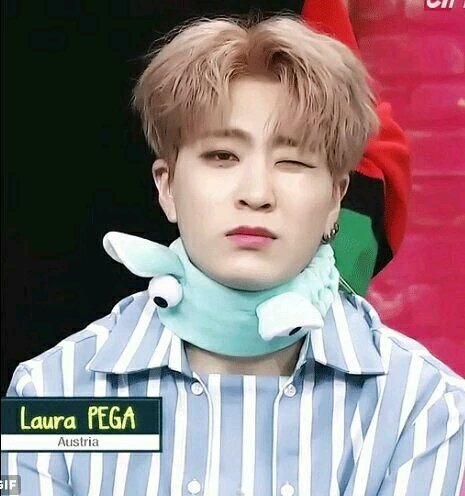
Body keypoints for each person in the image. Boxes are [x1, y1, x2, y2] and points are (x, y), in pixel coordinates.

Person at [2, 7, 464, 496]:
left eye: (292, 161)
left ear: (336, 198)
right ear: (167, 187)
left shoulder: (422, 404)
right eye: (222, 156)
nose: (256, 193)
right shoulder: (50, 391)